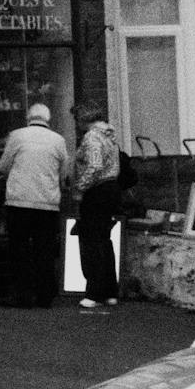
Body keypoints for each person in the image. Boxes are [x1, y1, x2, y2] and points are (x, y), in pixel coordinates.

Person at [0, 101, 69, 308]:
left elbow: (3, 165)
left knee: (19, 249)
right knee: (44, 249)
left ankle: (22, 295)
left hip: (19, 201)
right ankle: (45, 295)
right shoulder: (59, 140)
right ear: (48, 119)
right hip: (47, 204)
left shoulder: (17, 135)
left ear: (29, 118)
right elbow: (64, 171)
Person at [71, 105, 123, 310]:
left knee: (92, 242)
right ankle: (110, 291)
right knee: (104, 240)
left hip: (96, 191)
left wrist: (79, 188)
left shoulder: (92, 137)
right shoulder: (109, 136)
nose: (76, 125)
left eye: (76, 119)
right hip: (111, 189)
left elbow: (94, 165)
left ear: (83, 118)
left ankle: (94, 292)